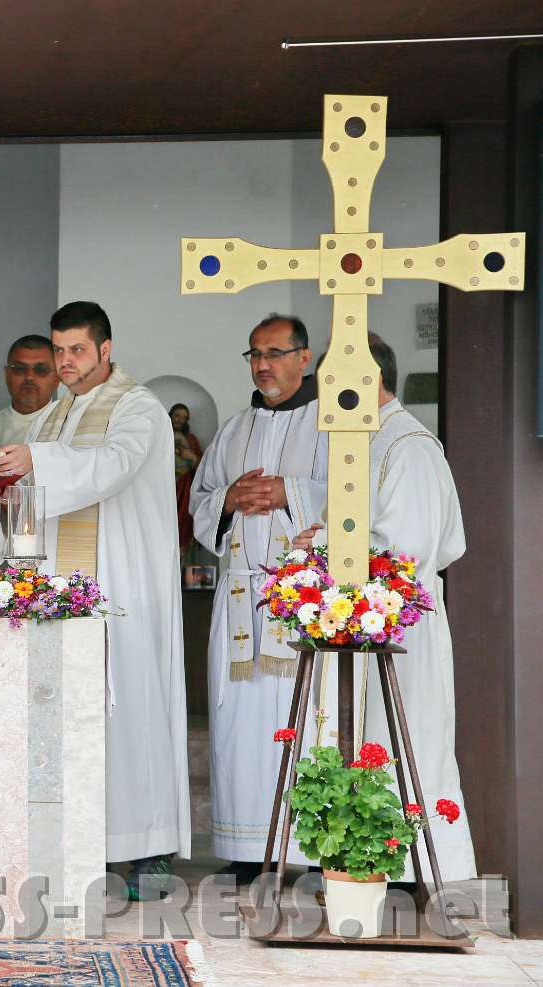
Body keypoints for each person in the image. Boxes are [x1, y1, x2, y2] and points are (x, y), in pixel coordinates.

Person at [0, 300, 189, 898]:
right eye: (59, 351)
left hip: (121, 588)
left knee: (133, 712)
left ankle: (149, 847)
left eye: (77, 350)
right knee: (72, 721)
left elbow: (111, 467)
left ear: (105, 348)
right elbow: (39, 492)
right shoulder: (51, 417)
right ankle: (87, 848)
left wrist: (35, 464)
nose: (66, 362)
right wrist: (8, 499)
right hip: (59, 592)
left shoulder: (138, 407)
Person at [293, 334, 475, 884]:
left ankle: (407, 871)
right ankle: (357, 868)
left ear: (366, 382)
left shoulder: (409, 447)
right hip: (363, 631)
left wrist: (325, 548)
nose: (321, 396)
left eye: (329, 383)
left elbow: (409, 552)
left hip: (400, 635)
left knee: (404, 741)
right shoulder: (367, 443)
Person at [187, 314, 326, 880]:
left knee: (310, 721)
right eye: (254, 354)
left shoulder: (332, 423)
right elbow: (200, 500)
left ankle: (314, 852)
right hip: (241, 597)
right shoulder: (234, 427)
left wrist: (289, 491)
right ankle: (247, 852)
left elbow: (356, 495)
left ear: (305, 357)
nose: (262, 365)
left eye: (274, 352)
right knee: (238, 725)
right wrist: (227, 500)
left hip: (307, 599)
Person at [0, 335, 58, 571]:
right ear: (6, 374)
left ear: (58, 376)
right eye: (20, 368)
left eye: (41, 369)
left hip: (50, 552)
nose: (29, 377)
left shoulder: (67, 429)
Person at [170, 403, 202, 558]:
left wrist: (191, 456)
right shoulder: (160, 435)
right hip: (163, 487)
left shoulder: (191, 440)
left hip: (184, 488)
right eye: (177, 416)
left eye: (184, 418)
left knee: (182, 523)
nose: (180, 420)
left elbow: (204, 468)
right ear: (170, 415)